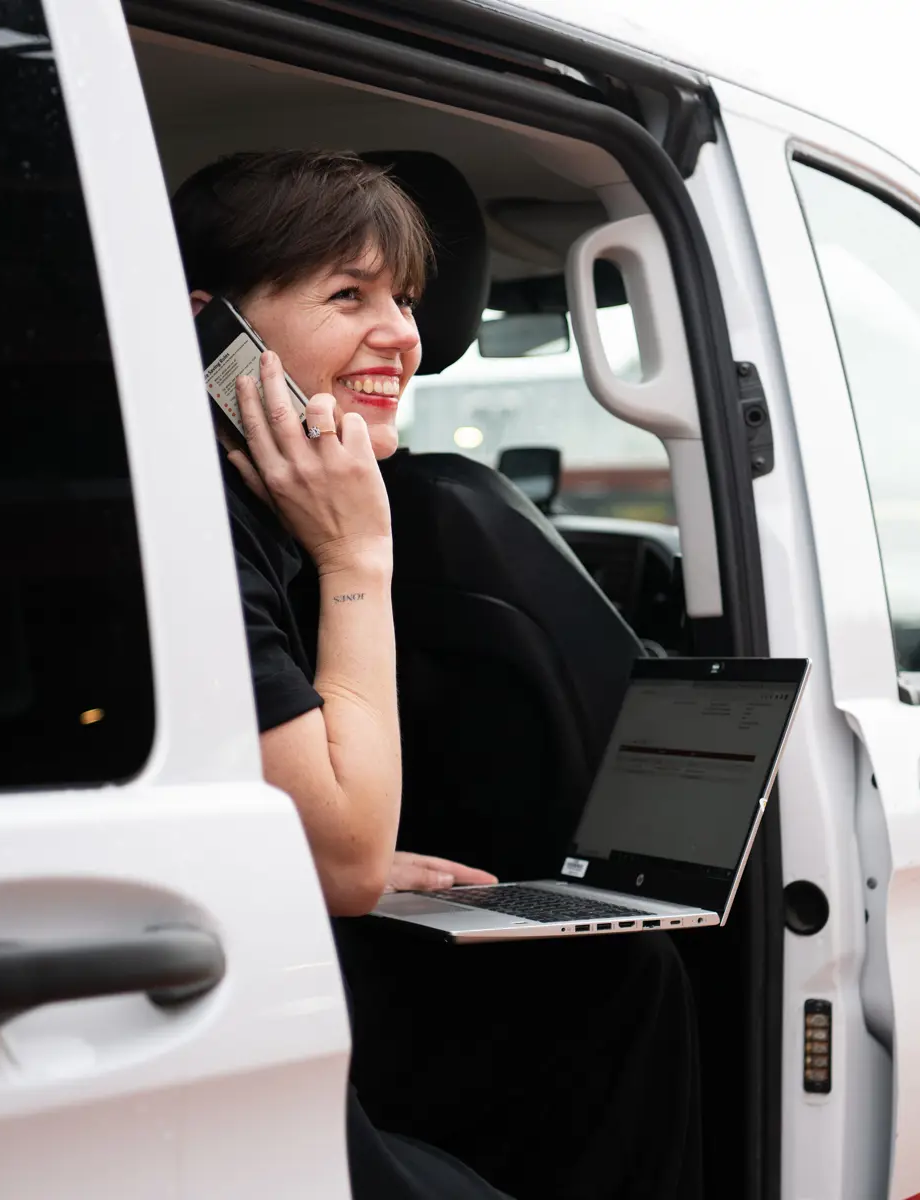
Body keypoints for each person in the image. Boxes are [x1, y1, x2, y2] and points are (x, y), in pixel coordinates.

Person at [173, 149, 701, 1200]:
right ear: (208, 327)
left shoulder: (247, 510)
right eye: (347, 295)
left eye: (405, 300)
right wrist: (358, 558)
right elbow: (347, 866)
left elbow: (322, 829)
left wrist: (344, 841)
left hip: (236, 940)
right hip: (203, 983)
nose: (403, 337)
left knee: (618, 975)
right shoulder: (204, 526)